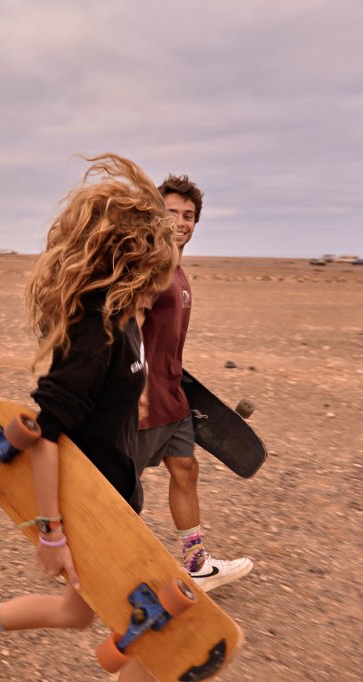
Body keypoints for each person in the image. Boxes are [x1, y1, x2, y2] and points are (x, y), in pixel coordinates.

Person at [0, 153, 179, 682]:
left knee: (76, 611)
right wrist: (52, 535)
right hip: (87, 506)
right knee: (162, 639)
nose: (167, 278)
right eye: (161, 266)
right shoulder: (93, 329)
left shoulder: (124, 317)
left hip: (116, 495)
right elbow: (44, 434)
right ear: (133, 261)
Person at [134, 174, 254, 592]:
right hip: (142, 399)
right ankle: (94, 558)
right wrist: (136, 390)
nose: (181, 222)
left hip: (174, 395)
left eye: (189, 215)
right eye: (172, 213)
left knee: (186, 469)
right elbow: (128, 324)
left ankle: (197, 565)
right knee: (119, 490)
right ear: (155, 215)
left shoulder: (180, 272)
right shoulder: (149, 268)